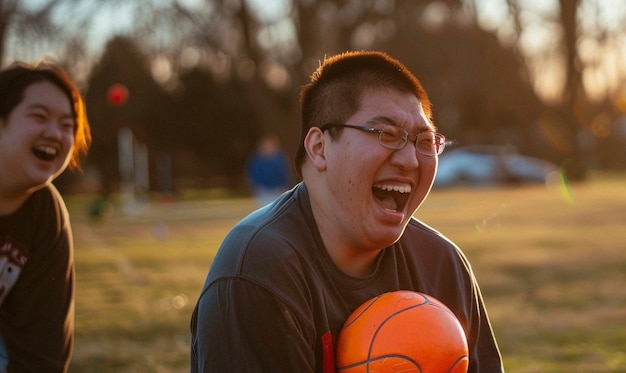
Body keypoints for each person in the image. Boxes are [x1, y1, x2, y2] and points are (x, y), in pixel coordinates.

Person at [190, 51, 503, 372]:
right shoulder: (257, 276)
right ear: (319, 147)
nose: (410, 160)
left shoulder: (441, 265)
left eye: (424, 141)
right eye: (387, 135)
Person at [0, 61, 91, 372]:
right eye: (39, 116)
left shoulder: (46, 213)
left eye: (67, 125)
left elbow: (42, 354)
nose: (55, 133)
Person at [245, 134, 292, 206]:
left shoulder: (279, 158)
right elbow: (253, 173)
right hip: (263, 189)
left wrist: (286, 185)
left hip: (278, 189)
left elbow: (285, 172)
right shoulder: (258, 159)